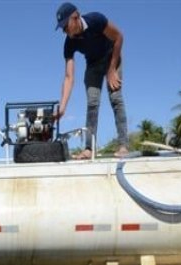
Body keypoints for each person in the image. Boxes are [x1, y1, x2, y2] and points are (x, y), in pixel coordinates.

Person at [55, 2, 129, 159]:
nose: (64, 31)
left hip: (112, 58)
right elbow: (69, 76)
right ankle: (89, 149)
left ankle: (123, 145)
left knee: (115, 98)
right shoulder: (69, 43)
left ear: (75, 17)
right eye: (62, 28)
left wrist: (111, 70)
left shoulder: (96, 20)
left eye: (65, 26)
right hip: (93, 64)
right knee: (92, 102)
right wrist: (62, 107)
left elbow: (118, 37)